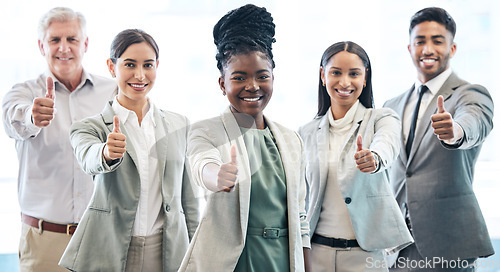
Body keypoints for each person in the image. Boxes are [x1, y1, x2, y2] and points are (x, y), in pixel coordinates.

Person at [179, 4, 310, 271]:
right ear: (222, 83)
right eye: (239, 77)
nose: (252, 86)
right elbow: (200, 163)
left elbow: (299, 216)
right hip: (232, 263)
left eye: (262, 76)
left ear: (273, 77)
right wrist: (215, 176)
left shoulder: (291, 140)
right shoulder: (205, 130)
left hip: (282, 261)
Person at [58, 29, 200, 272]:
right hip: (111, 252)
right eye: (130, 64)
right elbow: (87, 156)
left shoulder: (179, 124)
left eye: (148, 65)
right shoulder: (88, 127)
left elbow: (188, 198)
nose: (140, 75)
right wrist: (105, 153)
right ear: (112, 68)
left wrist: (198, 254)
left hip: (167, 252)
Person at [1, 7, 117, 272]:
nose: (63, 48)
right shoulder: (22, 93)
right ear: (42, 46)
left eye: (72, 39)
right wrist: (32, 116)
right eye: (54, 40)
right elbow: (12, 120)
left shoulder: (111, 91)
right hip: (44, 243)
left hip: (100, 238)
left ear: (85, 44)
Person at [384, 7, 495, 271]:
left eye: (437, 40)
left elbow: (475, 120)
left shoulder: (469, 94)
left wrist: (455, 131)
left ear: (453, 49)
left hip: (447, 245)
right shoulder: (392, 105)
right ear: (410, 49)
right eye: (420, 41)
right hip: (397, 247)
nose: (427, 48)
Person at [298, 41, 413, 271]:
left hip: (365, 257)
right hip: (316, 254)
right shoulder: (305, 133)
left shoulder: (381, 118)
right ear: (323, 75)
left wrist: (375, 158)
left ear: (365, 77)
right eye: (335, 73)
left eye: (354, 74)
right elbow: (299, 197)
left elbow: (387, 143)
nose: (344, 82)